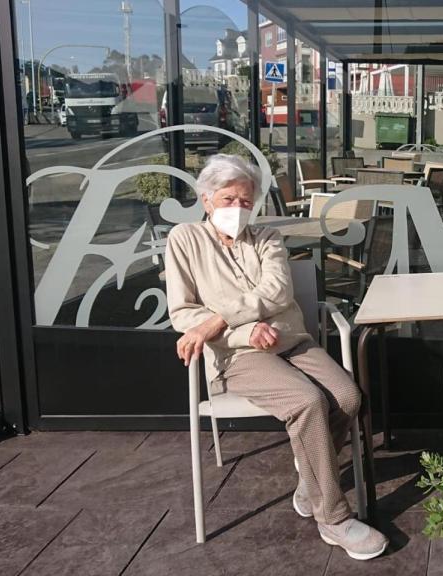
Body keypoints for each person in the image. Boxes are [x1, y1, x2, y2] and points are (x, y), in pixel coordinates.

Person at [164, 154, 388, 560]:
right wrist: (243, 329)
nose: (238, 209)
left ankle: (310, 484)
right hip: (236, 354)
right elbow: (183, 313)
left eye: (246, 201)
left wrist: (217, 319)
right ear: (206, 200)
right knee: (308, 401)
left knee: (348, 398)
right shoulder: (185, 240)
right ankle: (333, 518)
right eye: (229, 199)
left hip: (290, 339)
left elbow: (277, 293)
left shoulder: (267, 237)